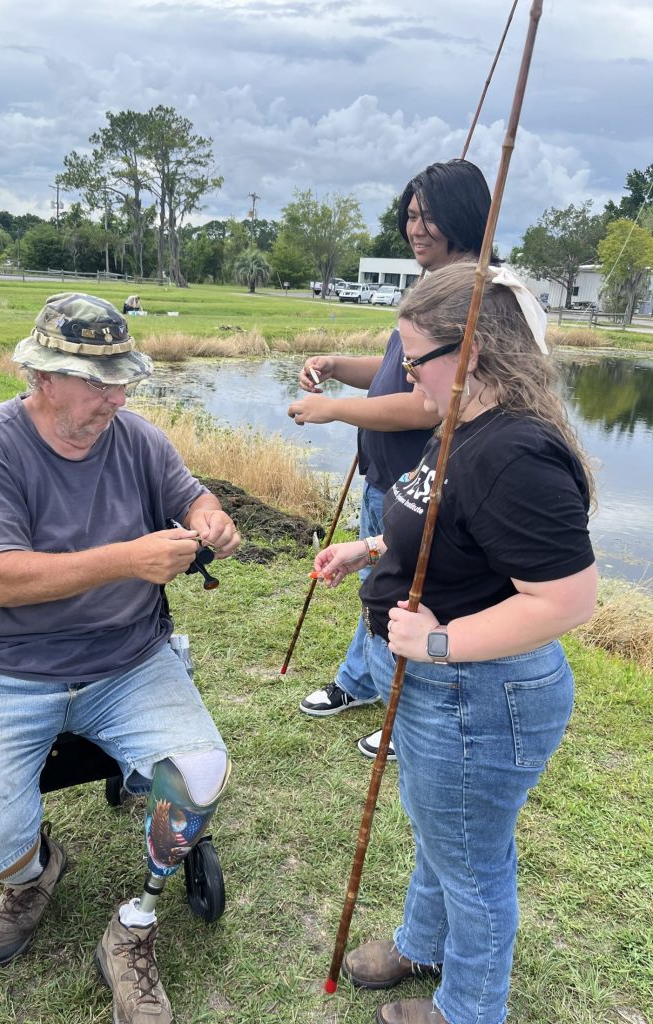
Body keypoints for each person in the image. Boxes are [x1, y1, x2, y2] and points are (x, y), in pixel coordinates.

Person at [0, 292, 240, 1024]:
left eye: (121, 380)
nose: (116, 397)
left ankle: (133, 926)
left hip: (127, 659)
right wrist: (128, 560)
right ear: (42, 378)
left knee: (198, 779)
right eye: (97, 382)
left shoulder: (138, 439)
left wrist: (207, 519)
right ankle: (35, 869)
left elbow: (189, 494)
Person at [313, 262, 597, 1024]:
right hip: (446, 692)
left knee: (472, 860)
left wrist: (439, 643)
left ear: (468, 353)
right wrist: (369, 550)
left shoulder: (515, 454)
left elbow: (569, 599)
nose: (405, 376)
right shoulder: (462, 427)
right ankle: (421, 942)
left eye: (415, 360)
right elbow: (444, 527)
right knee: (444, 833)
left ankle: (470, 1009)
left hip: (480, 696)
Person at [289, 159, 492, 759]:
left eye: (430, 215)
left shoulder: (468, 295)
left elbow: (429, 406)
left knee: (404, 600)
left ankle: (404, 715)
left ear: (464, 217)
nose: (417, 227)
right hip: (386, 479)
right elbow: (388, 376)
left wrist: (334, 412)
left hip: (420, 480)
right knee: (377, 585)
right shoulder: (428, 290)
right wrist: (331, 363)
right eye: (410, 215)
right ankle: (360, 682)